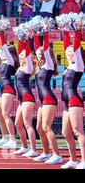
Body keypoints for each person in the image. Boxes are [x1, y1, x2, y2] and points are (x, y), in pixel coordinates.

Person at [33, 32, 62, 165]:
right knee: (39, 128)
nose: (38, 52)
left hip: (48, 99)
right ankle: (46, 152)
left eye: (41, 51)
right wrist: (34, 33)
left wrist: (44, 32)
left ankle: (57, 155)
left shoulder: (48, 64)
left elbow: (44, 46)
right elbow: (37, 46)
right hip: (42, 101)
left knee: (46, 127)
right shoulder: (40, 66)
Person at [60, 30, 85, 169]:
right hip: (66, 102)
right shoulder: (69, 65)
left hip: (74, 100)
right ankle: (73, 159)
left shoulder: (78, 64)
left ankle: (84, 160)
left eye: (71, 50)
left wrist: (77, 30)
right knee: (65, 132)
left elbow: (75, 46)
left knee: (78, 131)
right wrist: (65, 29)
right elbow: (66, 45)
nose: (68, 51)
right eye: (68, 51)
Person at [13, 38, 38, 158]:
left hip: (27, 97)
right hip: (21, 99)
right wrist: (20, 39)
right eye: (20, 55)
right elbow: (20, 52)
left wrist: (27, 39)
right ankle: (24, 146)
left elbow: (27, 54)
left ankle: (33, 149)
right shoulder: (20, 68)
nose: (21, 57)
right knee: (18, 124)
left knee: (27, 124)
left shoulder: (28, 68)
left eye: (23, 55)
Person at [0, 30, 18, 149]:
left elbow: (2, 46)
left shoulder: (10, 60)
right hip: (2, 90)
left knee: (5, 114)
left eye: (6, 51)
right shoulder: (4, 60)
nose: (3, 52)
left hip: (8, 88)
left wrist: (1, 32)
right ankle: (5, 137)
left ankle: (13, 139)